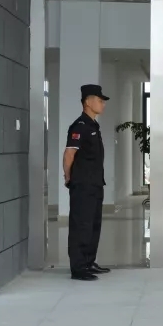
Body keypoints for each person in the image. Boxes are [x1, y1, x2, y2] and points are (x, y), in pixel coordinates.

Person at [64, 84, 112, 281]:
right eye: (100, 100)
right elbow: (69, 154)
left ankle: (89, 262)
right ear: (88, 102)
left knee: (93, 225)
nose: (103, 104)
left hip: (95, 184)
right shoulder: (79, 126)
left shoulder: (93, 126)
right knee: (81, 225)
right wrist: (68, 177)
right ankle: (78, 268)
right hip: (82, 185)